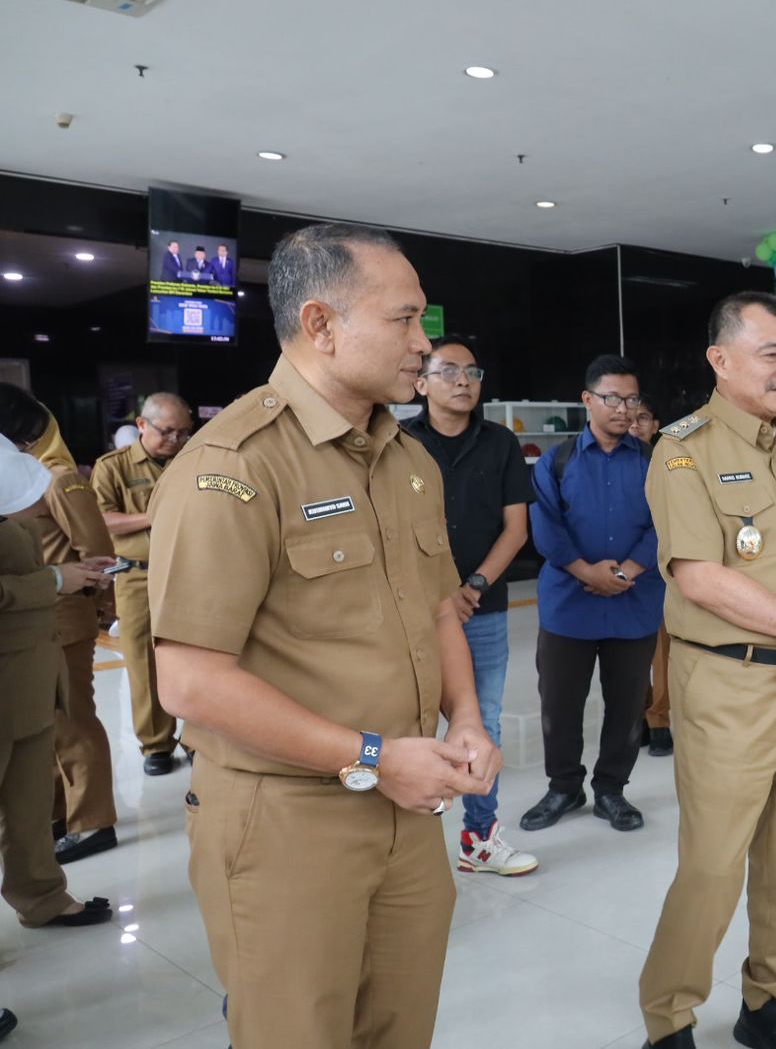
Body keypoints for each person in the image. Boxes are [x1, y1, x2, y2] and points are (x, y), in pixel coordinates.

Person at [147, 222, 499, 1049]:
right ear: (320, 325)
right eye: (405, 321)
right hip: (288, 819)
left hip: (409, 806)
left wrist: (470, 718)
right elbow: (190, 681)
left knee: (400, 1026)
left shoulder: (405, 457)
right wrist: (371, 757)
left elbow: (440, 605)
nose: (425, 345)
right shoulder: (232, 466)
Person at [638, 291, 776, 1049]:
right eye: (771, 354)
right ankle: (668, 1016)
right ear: (721, 359)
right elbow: (697, 575)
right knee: (712, 865)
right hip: (730, 684)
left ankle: (768, 1002)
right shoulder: (683, 450)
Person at [404, 336, 539, 876]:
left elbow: (516, 527)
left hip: (482, 608)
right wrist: (438, 595)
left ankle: (479, 838)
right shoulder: (396, 442)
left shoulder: (501, 443)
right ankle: (406, 840)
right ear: (421, 382)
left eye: (472, 372)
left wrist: (474, 585)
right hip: (409, 611)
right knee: (404, 724)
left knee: (482, 725)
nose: (463, 381)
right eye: (449, 370)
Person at [522, 354, 663, 833]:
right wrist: (588, 570)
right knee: (559, 704)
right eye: (611, 398)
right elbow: (544, 523)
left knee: (626, 707)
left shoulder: (656, 462)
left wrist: (627, 571)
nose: (623, 409)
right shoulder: (556, 461)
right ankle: (563, 787)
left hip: (635, 602)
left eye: (631, 399)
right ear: (587, 400)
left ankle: (611, 791)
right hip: (569, 604)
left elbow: (666, 523)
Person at [0, 436, 117, 943]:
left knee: (28, 799)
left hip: (30, 667)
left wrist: (79, 585)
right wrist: (52, 579)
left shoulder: (25, 486)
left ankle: (42, 895)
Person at [91, 391, 193, 776]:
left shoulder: (192, 460)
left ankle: (199, 738)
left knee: (199, 657)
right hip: (138, 576)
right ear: (142, 426)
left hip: (191, 574)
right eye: (168, 432)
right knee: (143, 663)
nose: (176, 440)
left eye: (184, 432)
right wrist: (153, 516)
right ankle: (157, 745)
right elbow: (100, 519)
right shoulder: (113, 467)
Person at [631, 395, 675, 758]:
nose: (635, 424)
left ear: (656, 424)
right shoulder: (615, 459)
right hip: (619, 571)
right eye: (631, 417)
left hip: (658, 570)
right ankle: (637, 717)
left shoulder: (670, 460)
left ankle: (659, 719)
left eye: (643, 417)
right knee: (628, 653)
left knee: (662, 651)